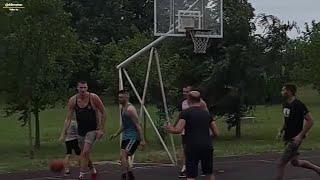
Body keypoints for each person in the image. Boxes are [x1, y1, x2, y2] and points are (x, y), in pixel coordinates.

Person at [166, 91, 219, 180]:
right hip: (207, 145)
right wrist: (207, 138)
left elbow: (178, 130)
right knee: (208, 172)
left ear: (189, 100)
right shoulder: (207, 114)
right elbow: (216, 133)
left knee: (191, 175)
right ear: (200, 100)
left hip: (192, 146)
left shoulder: (186, 113)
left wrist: (170, 129)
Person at [60, 81, 107, 180]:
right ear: (77, 88)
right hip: (81, 131)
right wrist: (63, 133)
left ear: (87, 87)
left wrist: (101, 129)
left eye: (85, 87)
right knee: (85, 153)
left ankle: (81, 175)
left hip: (93, 129)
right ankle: (93, 169)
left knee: (85, 152)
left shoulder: (93, 97)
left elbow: (104, 112)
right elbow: (68, 118)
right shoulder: (73, 100)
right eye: (81, 88)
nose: (83, 90)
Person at [276, 84, 320, 180]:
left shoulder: (298, 105)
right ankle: (317, 169)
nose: (282, 92)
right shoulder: (285, 104)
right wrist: (281, 130)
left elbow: (310, 121)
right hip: (287, 137)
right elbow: (286, 119)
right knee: (295, 162)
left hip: (294, 139)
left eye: (284, 90)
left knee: (280, 164)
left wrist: (300, 136)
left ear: (290, 92)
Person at [110, 90, 146, 180]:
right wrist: (116, 134)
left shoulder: (130, 109)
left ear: (127, 97)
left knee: (123, 156)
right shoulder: (122, 108)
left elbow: (138, 125)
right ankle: (130, 175)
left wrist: (142, 140)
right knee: (123, 157)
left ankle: (124, 176)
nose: (120, 99)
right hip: (126, 136)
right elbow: (124, 125)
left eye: (122, 97)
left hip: (133, 137)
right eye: (119, 97)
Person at [178, 85, 208, 178]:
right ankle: (185, 167)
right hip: (186, 129)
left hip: (197, 129)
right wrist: (175, 126)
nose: (184, 93)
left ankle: (205, 168)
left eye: (186, 92)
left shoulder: (201, 103)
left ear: (191, 93)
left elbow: (207, 115)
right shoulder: (183, 103)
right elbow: (181, 116)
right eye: (183, 92)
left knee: (200, 148)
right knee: (185, 148)